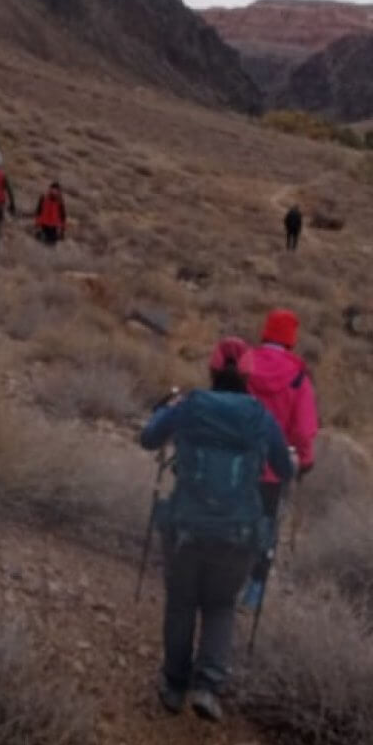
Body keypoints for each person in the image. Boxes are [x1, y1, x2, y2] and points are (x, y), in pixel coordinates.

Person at [139, 337, 295, 722]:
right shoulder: (260, 416)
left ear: (211, 371)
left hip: (187, 525)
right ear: (248, 376)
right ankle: (207, 686)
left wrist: (168, 408)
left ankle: (174, 686)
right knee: (221, 605)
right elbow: (286, 469)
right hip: (238, 531)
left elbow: (148, 439)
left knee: (181, 601)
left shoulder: (191, 406)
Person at [239, 309, 319, 590]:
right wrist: (305, 461)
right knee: (266, 525)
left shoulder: (243, 363)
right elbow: (303, 429)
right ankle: (254, 588)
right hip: (272, 469)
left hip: (234, 459)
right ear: (291, 340)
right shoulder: (299, 378)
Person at [33, 181, 68, 247]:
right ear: (50, 189)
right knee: (40, 242)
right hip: (43, 225)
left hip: (53, 227)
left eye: (56, 190)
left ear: (58, 191)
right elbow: (38, 212)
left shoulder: (60, 202)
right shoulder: (43, 198)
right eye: (52, 189)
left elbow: (63, 216)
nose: (54, 192)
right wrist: (37, 226)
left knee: (51, 245)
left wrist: (62, 230)